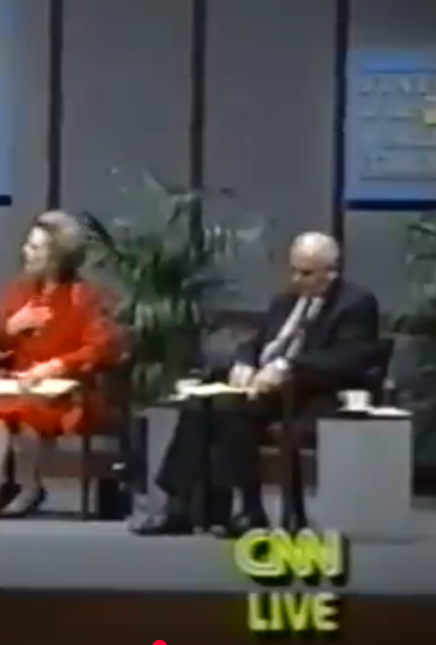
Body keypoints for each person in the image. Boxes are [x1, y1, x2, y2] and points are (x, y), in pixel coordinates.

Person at [133, 231, 382, 538]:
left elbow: (348, 358)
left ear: (331, 272)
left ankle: (250, 509)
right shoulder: (285, 300)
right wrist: (245, 362)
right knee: (199, 405)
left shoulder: (356, 303)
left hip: (309, 392)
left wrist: (288, 368)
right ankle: (178, 506)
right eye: (293, 269)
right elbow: (257, 341)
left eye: (305, 273)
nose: (296, 278)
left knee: (231, 411)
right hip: (261, 388)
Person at [0, 210, 122, 521]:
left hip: (68, 388)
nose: (26, 252)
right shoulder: (20, 291)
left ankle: (30, 488)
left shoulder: (85, 296)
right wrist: (13, 326)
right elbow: (0, 343)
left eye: (36, 247)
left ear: (56, 257)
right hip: (22, 381)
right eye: (28, 245)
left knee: (27, 414)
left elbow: (101, 347)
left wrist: (56, 366)